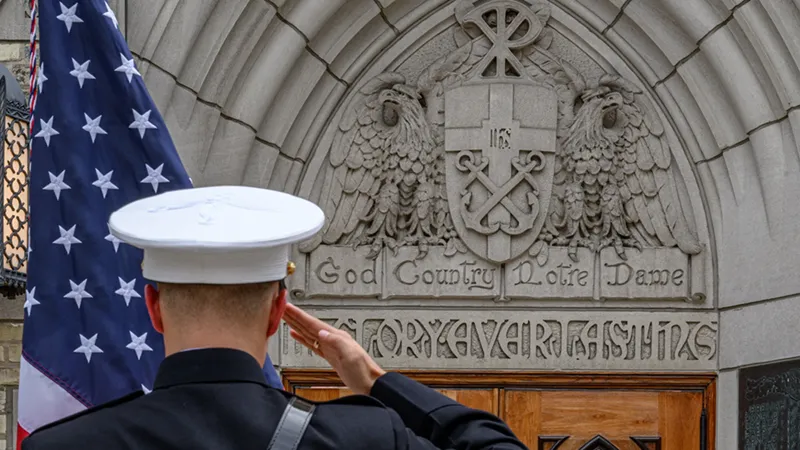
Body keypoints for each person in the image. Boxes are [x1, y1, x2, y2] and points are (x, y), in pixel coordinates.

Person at [22, 185, 529, 450]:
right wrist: (374, 380)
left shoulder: (66, 445)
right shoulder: (366, 439)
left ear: (153, 309)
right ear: (276, 313)